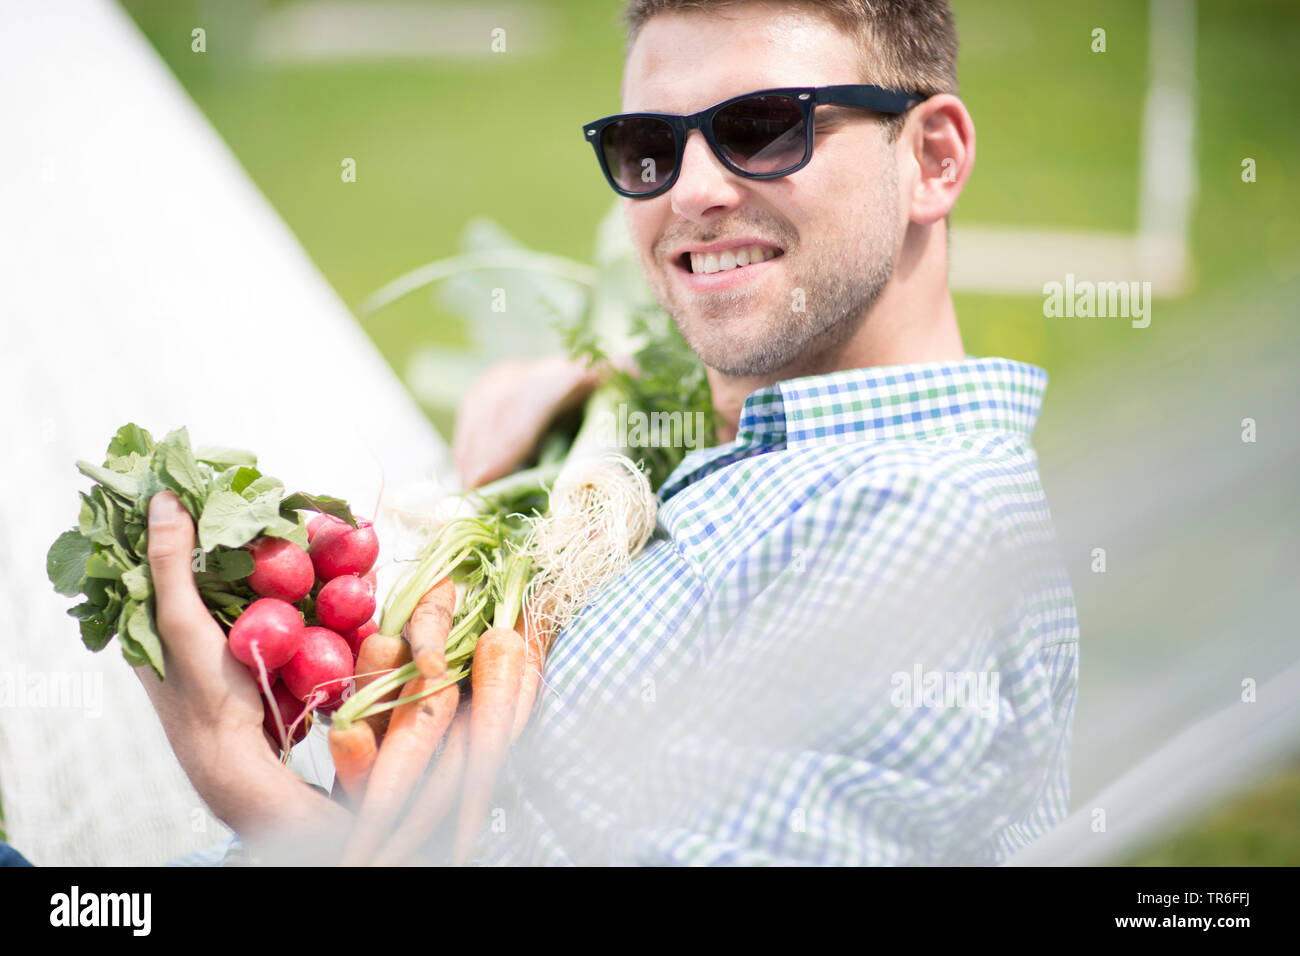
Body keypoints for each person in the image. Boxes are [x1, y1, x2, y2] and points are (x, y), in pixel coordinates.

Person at [140, 0, 1078, 865]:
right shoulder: (783, 453)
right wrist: (602, 379)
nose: (692, 191)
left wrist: (244, 780)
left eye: (764, 128)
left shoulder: (910, 524)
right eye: (649, 149)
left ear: (933, 159)